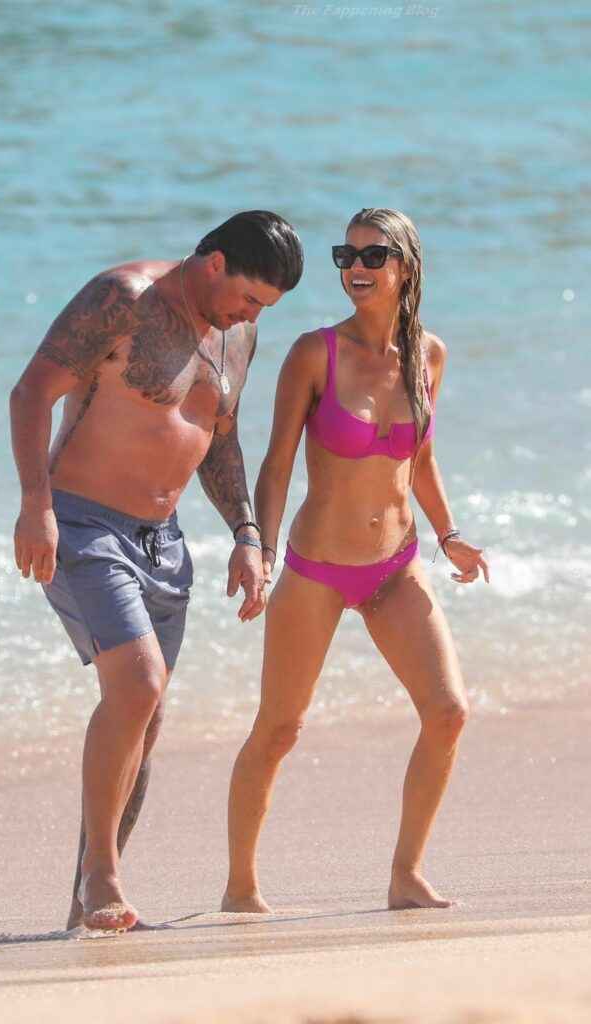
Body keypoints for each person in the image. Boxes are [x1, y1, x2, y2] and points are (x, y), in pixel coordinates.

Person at [9, 211, 303, 931]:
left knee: (146, 716)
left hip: (163, 542)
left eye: (265, 307)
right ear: (213, 262)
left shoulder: (237, 332)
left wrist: (246, 532)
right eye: (250, 297)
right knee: (137, 686)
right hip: (83, 524)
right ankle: (104, 877)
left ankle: (85, 903)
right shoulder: (123, 299)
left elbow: (219, 438)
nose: (251, 315)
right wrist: (35, 505)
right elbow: (31, 393)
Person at [221, 207, 489, 914]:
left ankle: (406, 874)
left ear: (406, 265)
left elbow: (420, 459)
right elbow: (276, 464)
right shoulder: (315, 353)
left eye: (372, 256)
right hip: (316, 566)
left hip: (395, 566)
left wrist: (449, 533)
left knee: (448, 712)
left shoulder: (429, 355)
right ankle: (240, 886)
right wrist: (261, 551)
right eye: (346, 256)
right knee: (279, 729)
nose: (356, 269)